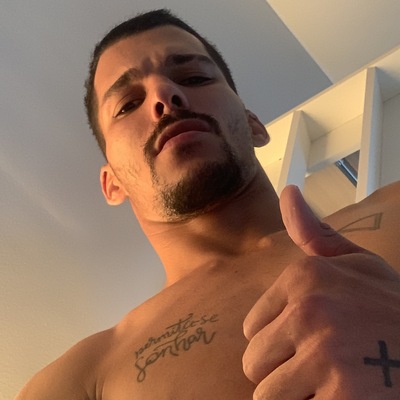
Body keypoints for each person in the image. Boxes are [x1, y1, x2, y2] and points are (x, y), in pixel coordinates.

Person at [16, 9, 400, 399]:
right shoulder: (81, 376)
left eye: (194, 78)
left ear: (253, 125)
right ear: (112, 183)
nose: (163, 95)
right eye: (128, 104)